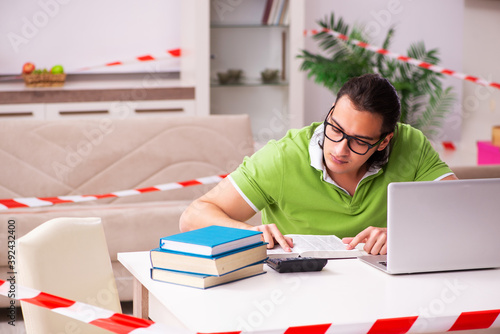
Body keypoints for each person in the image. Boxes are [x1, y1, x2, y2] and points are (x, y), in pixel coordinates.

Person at [179, 73, 457, 255]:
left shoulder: (411, 145)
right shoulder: (283, 157)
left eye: (359, 141)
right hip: (295, 289)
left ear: (384, 142)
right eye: (334, 128)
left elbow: (462, 211)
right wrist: (249, 233)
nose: (338, 149)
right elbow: (192, 217)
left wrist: (401, 233)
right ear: (329, 113)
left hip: (382, 286)